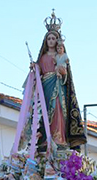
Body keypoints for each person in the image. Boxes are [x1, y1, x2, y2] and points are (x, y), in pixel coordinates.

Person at [32, 18, 86, 149]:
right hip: (46, 87)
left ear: (58, 41)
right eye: (49, 38)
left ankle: (59, 138)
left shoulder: (61, 57)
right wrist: (34, 69)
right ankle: (45, 139)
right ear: (46, 41)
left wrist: (63, 72)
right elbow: (37, 75)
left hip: (58, 86)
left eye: (53, 38)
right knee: (44, 111)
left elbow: (67, 76)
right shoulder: (42, 58)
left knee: (58, 110)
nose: (51, 41)